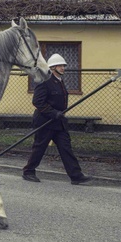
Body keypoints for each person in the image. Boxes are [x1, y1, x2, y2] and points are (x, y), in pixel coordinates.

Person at [22, 53, 92, 185]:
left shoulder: (60, 81)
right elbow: (38, 102)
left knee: (66, 148)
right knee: (39, 147)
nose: (63, 68)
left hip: (59, 122)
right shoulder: (44, 81)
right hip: (45, 121)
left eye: (63, 65)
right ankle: (29, 171)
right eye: (60, 66)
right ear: (52, 67)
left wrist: (58, 115)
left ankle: (76, 176)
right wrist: (53, 113)